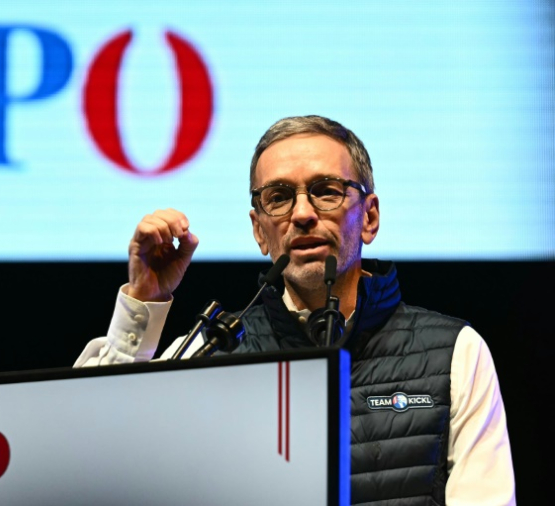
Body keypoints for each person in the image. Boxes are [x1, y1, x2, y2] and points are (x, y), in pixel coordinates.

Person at [74, 115, 516, 505]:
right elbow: (87, 452)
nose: (302, 214)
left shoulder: (454, 352)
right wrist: (144, 298)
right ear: (259, 231)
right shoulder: (211, 351)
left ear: (369, 217)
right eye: (280, 197)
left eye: (326, 191)